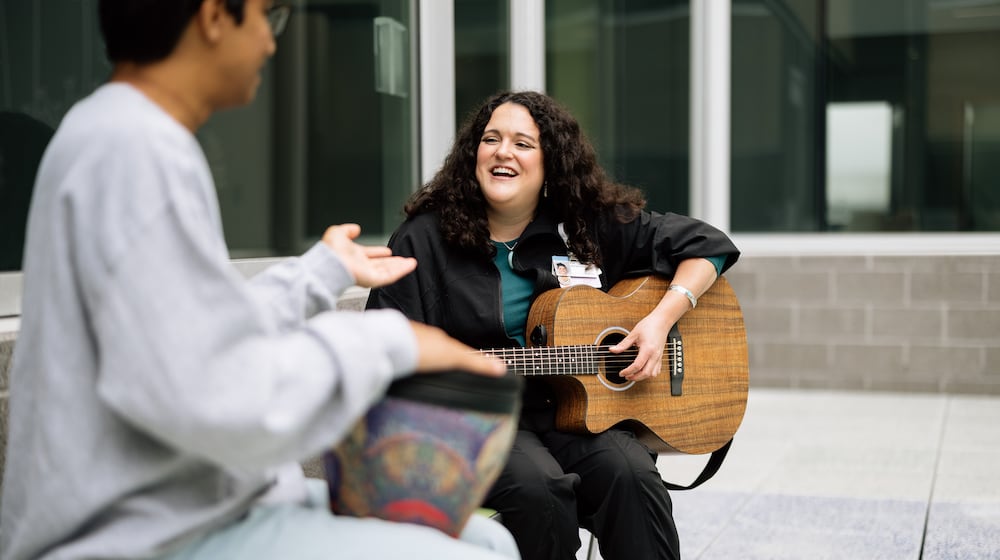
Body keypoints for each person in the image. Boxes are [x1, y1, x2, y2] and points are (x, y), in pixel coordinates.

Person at [0, 2, 520, 559]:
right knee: (477, 552)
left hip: (185, 508)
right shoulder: (134, 150)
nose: (273, 44)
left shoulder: (122, 132)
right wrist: (389, 341)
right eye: (268, 17)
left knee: (488, 535)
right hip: (140, 534)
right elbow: (208, 392)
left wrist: (322, 270)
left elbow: (191, 326)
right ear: (213, 16)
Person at [366, 90, 740, 560]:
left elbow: (710, 246)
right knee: (540, 490)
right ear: (472, 155)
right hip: (478, 422)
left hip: (573, 415)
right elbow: (384, 349)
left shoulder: (582, 226)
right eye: (491, 140)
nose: (503, 152)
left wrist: (661, 319)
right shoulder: (423, 239)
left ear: (551, 164)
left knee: (632, 476)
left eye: (523, 144)